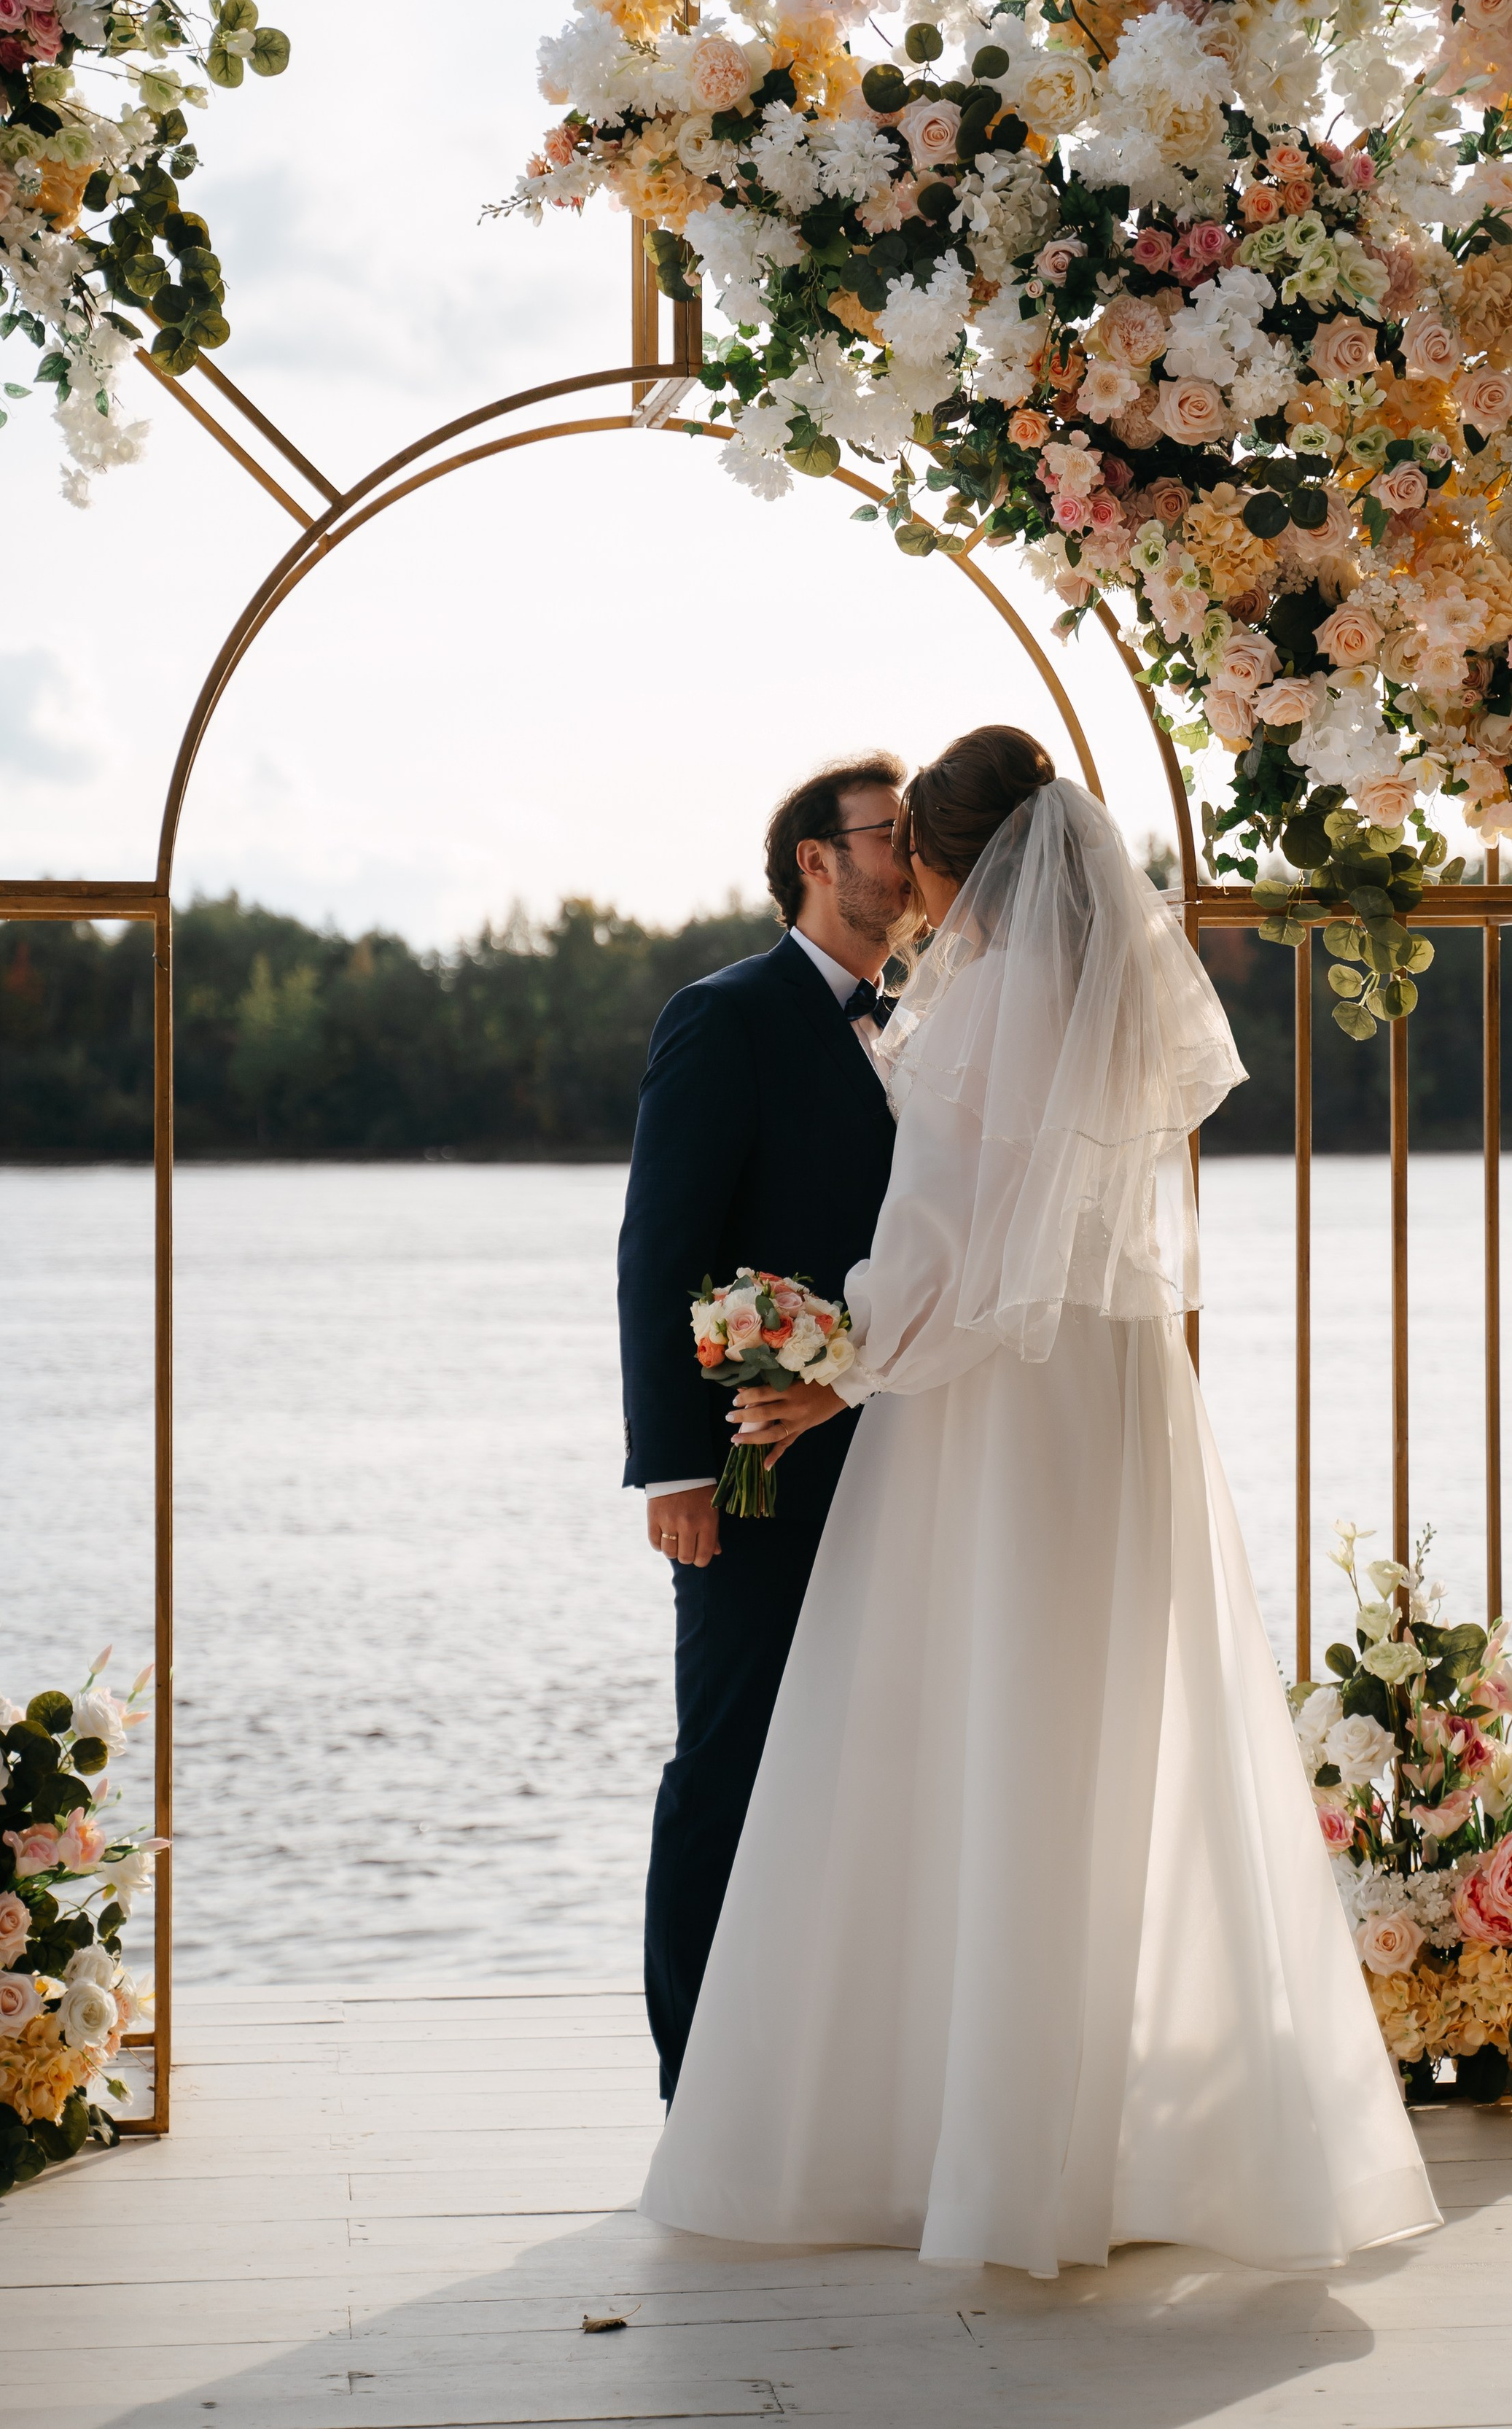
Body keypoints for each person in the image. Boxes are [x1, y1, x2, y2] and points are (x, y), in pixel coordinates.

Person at [640, 724, 1438, 2277]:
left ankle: (968, 2144)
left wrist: (844, 1356)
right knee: (1106, 1745)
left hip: (994, 1414)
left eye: (915, 853)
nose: (911, 883)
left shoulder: (975, 1002)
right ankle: (1117, 2126)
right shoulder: (1115, 997)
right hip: (1122, 1394)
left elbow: (942, 1246)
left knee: (960, 1745)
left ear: (949, 861)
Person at [618, 753, 911, 2104]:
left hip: (905, 1462)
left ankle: (833, 2070)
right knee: (728, 1763)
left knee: (872, 1771)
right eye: (888, 836)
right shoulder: (722, 1016)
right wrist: (675, 1464)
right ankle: (698, 2082)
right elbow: (659, 1247)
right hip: (752, 1469)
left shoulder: (926, 1021)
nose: (908, 859)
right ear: (814, 856)